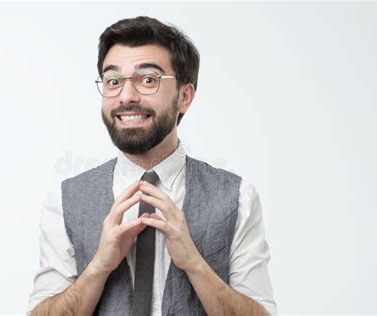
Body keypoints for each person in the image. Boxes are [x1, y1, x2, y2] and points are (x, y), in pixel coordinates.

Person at [28, 16, 277, 316]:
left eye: (148, 80)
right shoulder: (64, 201)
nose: (127, 96)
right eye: (113, 81)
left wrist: (195, 264)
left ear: (184, 96)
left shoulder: (238, 198)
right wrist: (99, 267)